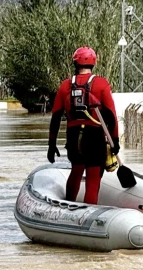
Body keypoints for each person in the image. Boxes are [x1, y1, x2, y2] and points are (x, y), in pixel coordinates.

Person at [47, 47, 119, 205]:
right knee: (93, 176)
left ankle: (67, 206)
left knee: (76, 170)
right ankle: (89, 212)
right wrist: (115, 141)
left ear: (75, 62)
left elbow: (56, 117)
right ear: (94, 63)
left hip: (73, 136)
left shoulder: (65, 85)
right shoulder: (101, 84)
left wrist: (51, 144)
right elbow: (112, 117)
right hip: (94, 136)